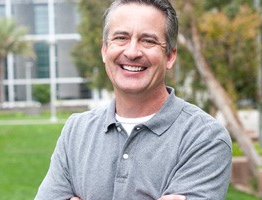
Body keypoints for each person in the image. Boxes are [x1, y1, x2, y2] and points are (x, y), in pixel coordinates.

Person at [35, 0, 232, 199]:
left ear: (170, 56)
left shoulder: (204, 138)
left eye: (148, 41)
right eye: (121, 38)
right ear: (104, 50)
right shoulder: (76, 131)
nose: (132, 52)